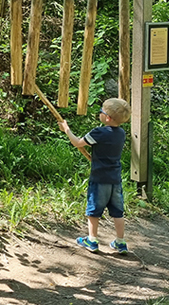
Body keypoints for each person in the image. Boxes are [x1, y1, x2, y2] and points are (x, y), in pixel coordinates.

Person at [59, 98, 132, 254]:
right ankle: (120, 242)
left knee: (94, 211)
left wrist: (66, 129)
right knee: (118, 212)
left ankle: (92, 240)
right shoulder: (121, 133)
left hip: (99, 179)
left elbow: (78, 143)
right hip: (115, 179)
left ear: (108, 118)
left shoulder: (99, 132)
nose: (99, 113)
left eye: (102, 111)